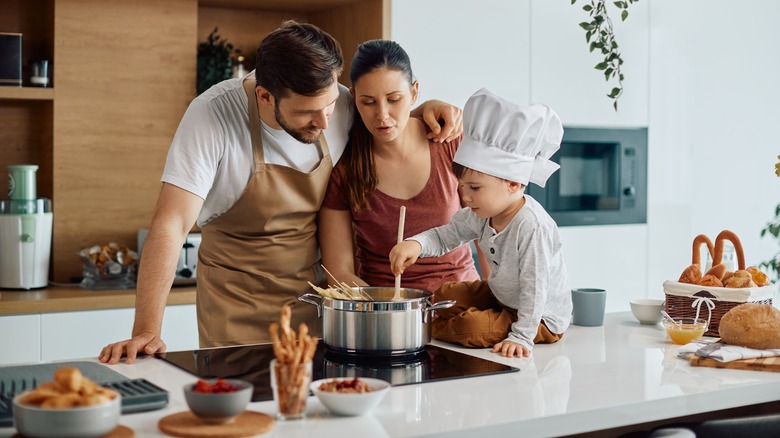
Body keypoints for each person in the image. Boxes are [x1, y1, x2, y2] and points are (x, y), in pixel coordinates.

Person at [99, 21, 463, 364]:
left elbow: (386, 114)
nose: (324, 123)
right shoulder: (212, 117)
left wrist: (426, 110)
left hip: (315, 303)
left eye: (331, 106)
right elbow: (171, 223)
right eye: (307, 113)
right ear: (264, 96)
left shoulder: (336, 103)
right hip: (236, 308)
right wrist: (147, 330)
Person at [389, 88, 572, 359]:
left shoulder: (532, 226)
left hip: (539, 317)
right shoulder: (482, 213)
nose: (465, 196)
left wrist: (521, 336)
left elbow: (536, 288)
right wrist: (416, 244)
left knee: (469, 327)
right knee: (443, 294)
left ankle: (432, 328)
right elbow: (446, 235)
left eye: (474, 187)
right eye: (462, 187)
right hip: (504, 297)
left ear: (513, 183)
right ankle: (447, 321)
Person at [318, 39, 480, 293]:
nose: (382, 115)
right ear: (353, 97)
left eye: (394, 99)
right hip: (389, 309)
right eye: (368, 102)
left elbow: (490, 226)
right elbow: (338, 271)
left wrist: (497, 300)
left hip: (462, 301)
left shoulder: (450, 143)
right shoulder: (346, 172)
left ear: (415, 93)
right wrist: (381, 309)